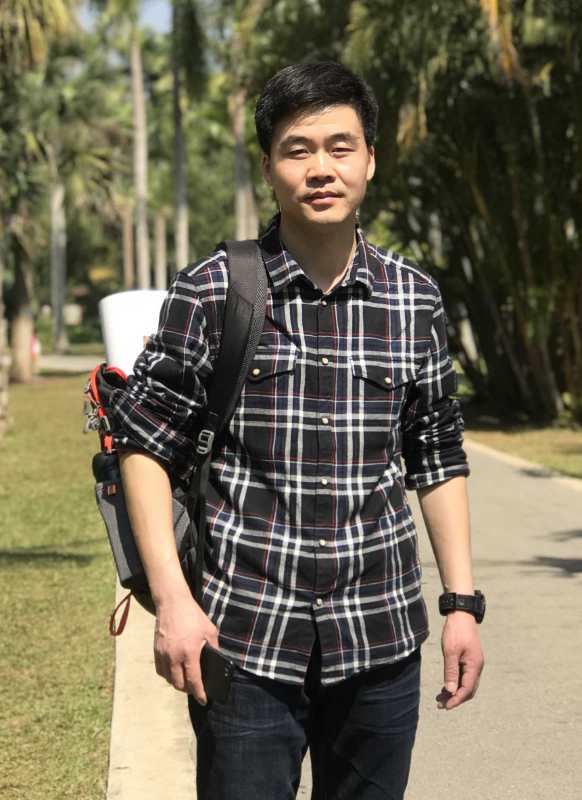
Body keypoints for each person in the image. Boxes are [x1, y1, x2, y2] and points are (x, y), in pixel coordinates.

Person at [110, 61, 485, 800]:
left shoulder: (414, 300)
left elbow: (436, 454)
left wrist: (462, 604)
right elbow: (145, 443)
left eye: (341, 147)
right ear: (268, 168)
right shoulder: (213, 289)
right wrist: (174, 601)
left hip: (379, 638)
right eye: (297, 149)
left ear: (370, 159)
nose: (321, 168)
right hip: (243, 639)